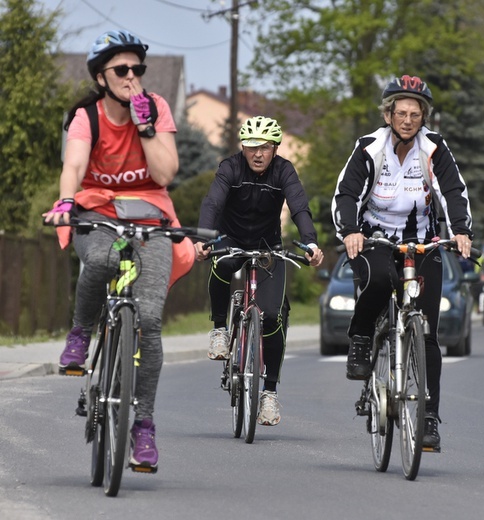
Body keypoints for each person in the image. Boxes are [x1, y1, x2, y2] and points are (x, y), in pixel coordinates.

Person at [42, 30, 189, 472]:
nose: (132, 77)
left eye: (137, 70)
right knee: (102, 259)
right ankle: (79, 334)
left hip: (152, 216)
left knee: (148, 320)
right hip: (97, 211)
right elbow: (74, 165)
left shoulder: (156, 107)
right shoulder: (86, 116)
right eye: (121, 70)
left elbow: (164, 174)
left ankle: (142, 425)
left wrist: (146, 126)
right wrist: (67, 202)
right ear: (101, 77)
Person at [331, 75, 473, 451]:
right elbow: (346, 193)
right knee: (378, 279)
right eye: (401, 112)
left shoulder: (434, 148)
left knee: (426, 335)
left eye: (415, 113)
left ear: (423, 116)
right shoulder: (369, 148)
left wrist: (460, 231)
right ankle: (361, 337)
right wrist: (349, 230)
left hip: (423, 245)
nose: (408, 119)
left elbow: (453, 191)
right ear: (389, 114)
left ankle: (428, 419)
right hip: (376, 240)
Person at [194, 116, 324, 427]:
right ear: (242, 147)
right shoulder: (230, 167)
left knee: (271, 315)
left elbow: (299, 207)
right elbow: (212, 202)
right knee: (222, 263)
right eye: (251, 146)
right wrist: (203, 238)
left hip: (268, 244)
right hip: (231, 238)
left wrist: (310, 242)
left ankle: (269, 393)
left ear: (275, 148)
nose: (257, 153)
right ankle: (220, 329)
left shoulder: (284, 171)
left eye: (264, 147)